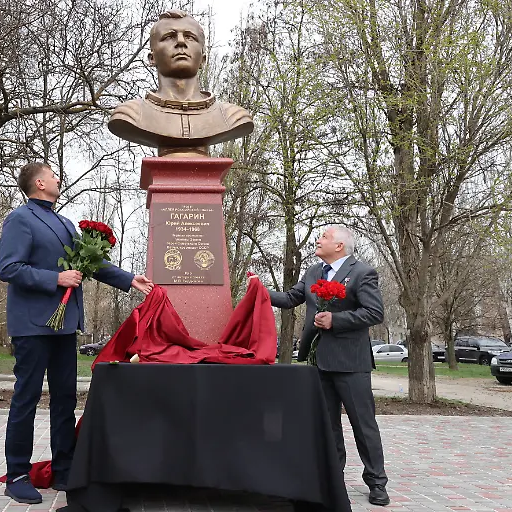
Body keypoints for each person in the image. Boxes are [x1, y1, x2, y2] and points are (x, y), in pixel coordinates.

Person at [0, 162, 153, 504]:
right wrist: (56, 279)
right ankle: (18, 474)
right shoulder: (21, 219)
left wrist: (129, 279)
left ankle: (65, 469)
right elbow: (8, 268)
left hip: (64, 326)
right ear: (39, 182)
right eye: (53, 174)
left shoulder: (64, 222)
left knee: (65, 398)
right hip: (33, 327)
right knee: (27, 397)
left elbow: (88, 263)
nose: (58, 178)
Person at [268, 225, 390, 506]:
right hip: (318, 361)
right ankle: (333, 478)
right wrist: (259, 291)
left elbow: (375, 312)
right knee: (329, 425)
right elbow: (289, 299)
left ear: (339, 246)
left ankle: (376, 482)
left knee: (363, 425)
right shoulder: (313, 272)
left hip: (351, 363)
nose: (318, 240)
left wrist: (337, 320)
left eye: (324, 236)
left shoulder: (363, 273)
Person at [107, 9, 253, 157]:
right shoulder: (132, 114)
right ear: (152, 58)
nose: (181, 42)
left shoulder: (231, 117)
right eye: (169, 37)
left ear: (203, 59)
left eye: (190, 37)